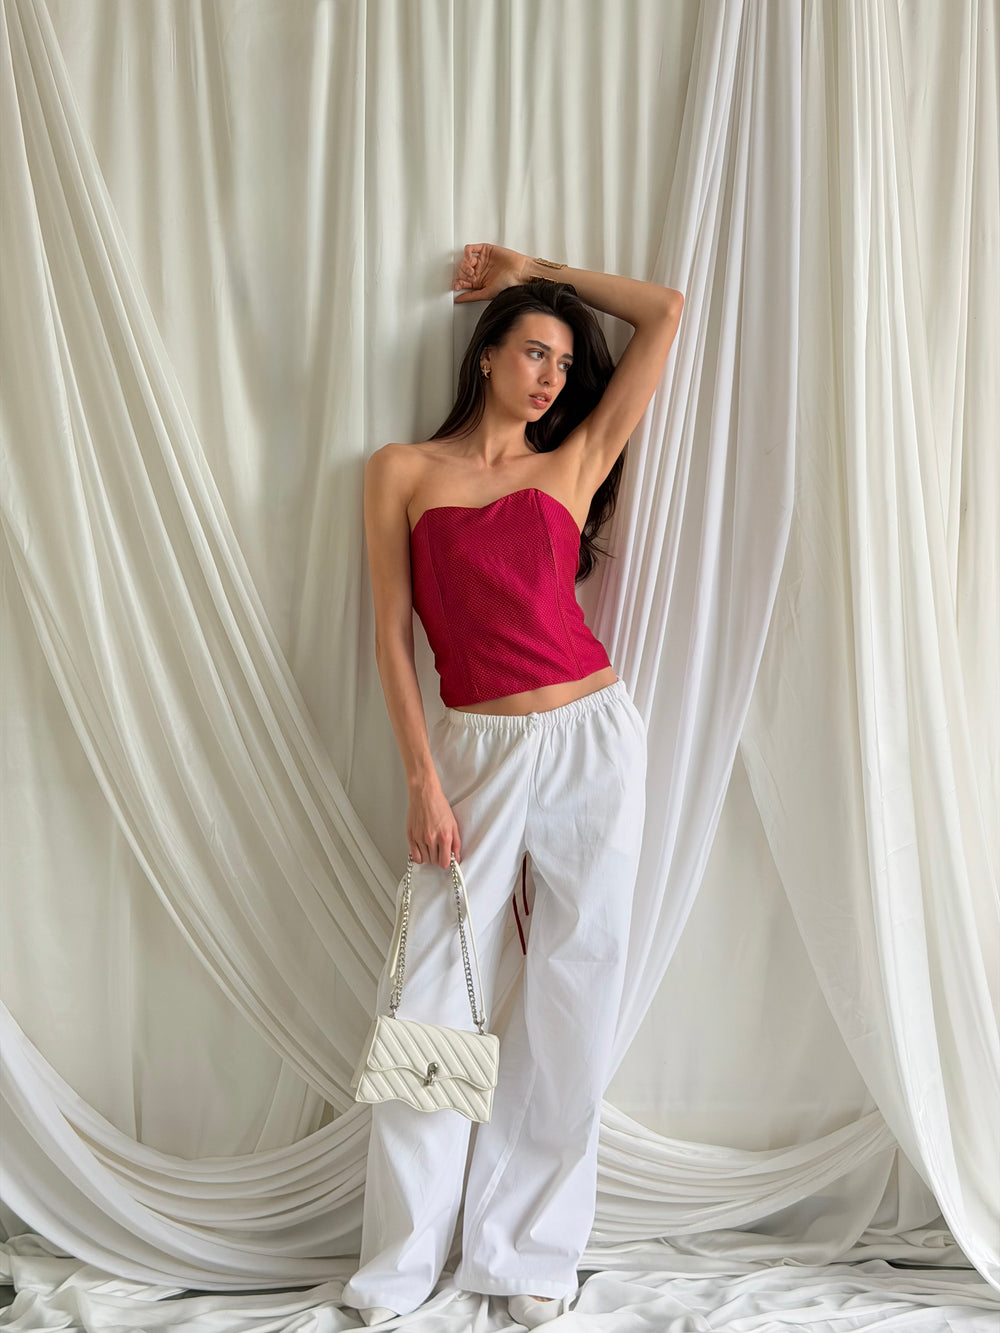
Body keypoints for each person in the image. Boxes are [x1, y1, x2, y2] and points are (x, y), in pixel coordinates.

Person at [341, 244, 683, 1327]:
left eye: (563, 362)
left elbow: (665, 313)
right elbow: (392, 642)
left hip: (593, 740)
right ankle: (402, 1259)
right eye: (533, 351)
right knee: (433, 993)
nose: (550, 376)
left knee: (576, 986)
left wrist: (540, 270)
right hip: (473, 751)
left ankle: (525, 1250)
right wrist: (421, 778)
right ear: (486, 353)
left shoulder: (573, 461)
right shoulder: (400, 471)